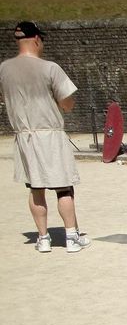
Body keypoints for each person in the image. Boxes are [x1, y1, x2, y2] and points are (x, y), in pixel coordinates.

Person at [0, 21, 91, 253]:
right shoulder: (50, 68)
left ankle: (43, 238)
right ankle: (71, 236)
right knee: (63, 188)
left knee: (35, 188)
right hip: (49, 134)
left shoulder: (4, 69)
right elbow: (67, 103)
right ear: (37, 39)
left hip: (24, 135)